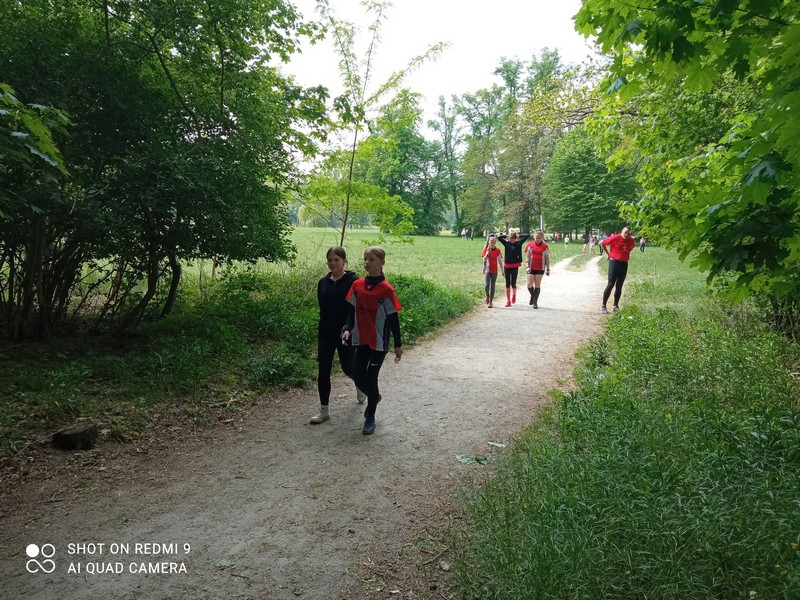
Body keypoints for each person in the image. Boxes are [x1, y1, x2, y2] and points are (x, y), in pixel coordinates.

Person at [341, 247, 403, 435]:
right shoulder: (357, 285)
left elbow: (393, 319)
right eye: (365, 259)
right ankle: (374, 397)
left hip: (379, 342)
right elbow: (351, 311)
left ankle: (370, 417)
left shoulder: (386, 289)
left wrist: (398, 345)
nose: (367, 262)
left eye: (372, 259)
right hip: (361, 339)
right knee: (358, 375)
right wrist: (346, 328)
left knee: (371, 376)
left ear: (382, 262)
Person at [310, 247, 366, 424]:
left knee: (348, 367)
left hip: (346, 332)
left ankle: (360, 385)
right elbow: (323, 308)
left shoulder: (353, 281)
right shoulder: (323, 283)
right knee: (323, 370)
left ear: (344, 261)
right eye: (330, 260)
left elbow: (353, 308)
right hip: (325, 332)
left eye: (336, 260)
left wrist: (348, 327)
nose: (333, 263)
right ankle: (324, 409)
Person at [599, 226, 636, 314]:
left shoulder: (631, 240)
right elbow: (602, 243)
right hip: (614, 262)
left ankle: (615, 306)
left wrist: (624, 254)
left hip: (624, 263)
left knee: (619, 285)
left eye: (628, 233)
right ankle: (603, 306)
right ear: (621, 232)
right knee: (611, 284)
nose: (626, 235)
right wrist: (609, 254)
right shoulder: (616, 237)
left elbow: (631, 247)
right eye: (625, 232)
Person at [497, 230, 530, 306]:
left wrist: (518, 236)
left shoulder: (518, 243)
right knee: (507, 283)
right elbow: (499, 237)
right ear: (509, 238)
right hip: (507, 265)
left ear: (516, 238)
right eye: (511, 238)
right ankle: (508, 300)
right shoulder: (506, 243)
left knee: (513, 283)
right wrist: (506, 236)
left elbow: (527, 235)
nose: (512, 239)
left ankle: (514, 295)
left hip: (515, 265)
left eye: (514, 238)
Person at [524, 230, 550, 309]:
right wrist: (527, 266)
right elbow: (527, 256)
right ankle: (533, 296)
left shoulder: (545, 246)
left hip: (540, 268)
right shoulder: (530, 245)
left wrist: (548, 269)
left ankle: (535, 302)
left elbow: (547, 258)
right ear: (534, 237)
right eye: (536, 238)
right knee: (529, 284)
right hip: (531, 267)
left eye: (539, 238)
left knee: (537, 284)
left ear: (542, 238)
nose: (537, 239)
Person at [482, 234, 504, 308]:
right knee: (486, 285)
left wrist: (502, 270)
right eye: (491, 241)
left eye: (494, 241)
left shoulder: (498, 250)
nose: (492, 243)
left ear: (495, 242)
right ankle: (487, 296)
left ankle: (491, 301)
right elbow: (484, 259)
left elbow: (500, 261)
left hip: (494, 270)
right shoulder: (486, 249)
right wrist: (487, 253)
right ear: (488, 241)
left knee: (493, 286)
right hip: (487, 270)